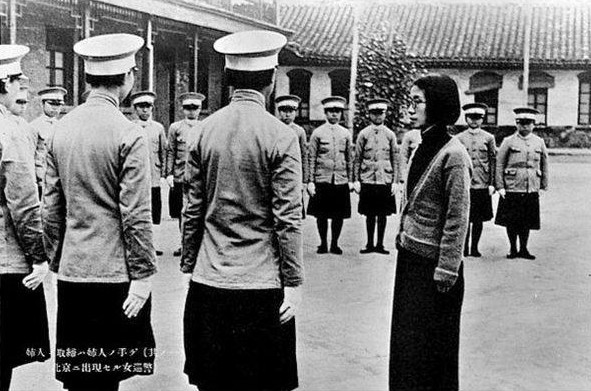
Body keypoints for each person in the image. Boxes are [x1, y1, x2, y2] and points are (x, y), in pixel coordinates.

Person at [181, 30, 303, 391]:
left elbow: (192, 209)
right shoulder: (281, 135)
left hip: (210, 279)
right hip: (262, 284)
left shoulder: (202, 131)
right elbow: (288, 219)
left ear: (230, 77)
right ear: (271, 79)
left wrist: (189, 264)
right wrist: (294, 283)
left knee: (213, 383)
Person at [43, 33, 157, 391]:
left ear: (89, 78)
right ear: (128, 77)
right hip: (114, 275)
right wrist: (143, 276)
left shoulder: (60, 130)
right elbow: (136, 213)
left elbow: (50, 208)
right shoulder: (129, 133)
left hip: (74, 272)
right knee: (107, 377)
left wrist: (56, 260)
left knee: (79, 377)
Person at [390, 73, 471, 391]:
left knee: (433, 354)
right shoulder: (421, 144)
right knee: (407, 348)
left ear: (437, 105)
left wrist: (447, 269)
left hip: (436, 270)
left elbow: (458, 217)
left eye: (417, 102)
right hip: (410, 260)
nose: (410, 109)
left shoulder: (454, 155)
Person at [0, 44, 50, 391]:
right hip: (5, 262)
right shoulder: (13, 130)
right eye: (18, 82)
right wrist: (39, 257)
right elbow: (23, 202)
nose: (25, 88)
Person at [495, 107, 549, 260]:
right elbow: (500, 164)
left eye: (528, 123)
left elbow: (544, 164)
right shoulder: (508, 141)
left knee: (526, 221)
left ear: (534, 124)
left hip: (531, 187)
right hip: (512, 187)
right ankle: (513, 248)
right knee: (512, 221)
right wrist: (500, 186)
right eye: (521, 123)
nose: (525, 126)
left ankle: (524, 249)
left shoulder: (539, 142)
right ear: (516, 124)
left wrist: (543, 184)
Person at [307, 96, 353, 254]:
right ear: (325, 113)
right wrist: (310, 181)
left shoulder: (346, 133)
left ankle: (334, 244)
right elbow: (311, 157)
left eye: (337, 111)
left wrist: (352, 180)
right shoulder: (317, 133)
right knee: (321, 215)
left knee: (338, 215)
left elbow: (349, 159)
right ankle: (323, 244)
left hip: (340, 180)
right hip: (322, 179)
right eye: (331, 111)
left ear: (341, 114)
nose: (334, 115)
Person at [353, 98, 400, 254]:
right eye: (374, 113)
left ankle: (380, 244)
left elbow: (395, 159)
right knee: (369, 215)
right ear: (369, 115)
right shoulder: (363, 134)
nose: (377, 117)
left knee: (383, 215)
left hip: (384, 180)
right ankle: (369, 244)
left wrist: (395, 181)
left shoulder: (390, 135)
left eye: (380, 114)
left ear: (385, 115)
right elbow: (357, 158)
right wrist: (356, 180)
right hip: (368, 179)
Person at [166, 91, 205, 256]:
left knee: (198, 211)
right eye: (187, 108)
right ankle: (184, 244)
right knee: (182, 212)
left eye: (194, 108)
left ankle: (197, 245)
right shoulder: (175, 128)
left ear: (200, 109)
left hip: (199, 177)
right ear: (182, 109)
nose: (191, 111)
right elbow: (171, 152)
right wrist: (168, 174)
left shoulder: (204, 126)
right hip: (180, 175)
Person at [456, 103, 497, 257]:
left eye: (478, 118)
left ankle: (475, 248)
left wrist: (492, 183)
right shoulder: (459, 138)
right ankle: (464, 248)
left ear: (482, 119)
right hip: (465, 183)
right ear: (466, 118)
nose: (474, 121)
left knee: (478, 219)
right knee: (464, 218)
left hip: (482, 183)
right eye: (471, 118)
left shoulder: (488, 138)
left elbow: (493, 161)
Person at [131, 90, 167, 256]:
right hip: (136, 178)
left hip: (153, 176)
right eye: (141, 107)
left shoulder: (158, 128)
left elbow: (163, 152)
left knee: (155, 211)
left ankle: (156, 243)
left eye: (148, 107)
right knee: (137, 209)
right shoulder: (131, 127)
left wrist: (165, 174)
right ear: (135, 109)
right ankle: (139, 244)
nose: (145, 110)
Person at [29, 86, 67, 199]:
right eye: (52, 104)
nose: (55, 108)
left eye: (58, 105)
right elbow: (30, 154)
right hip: (40, 176)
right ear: (43, 104)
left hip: (58, 176)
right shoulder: (34, 126)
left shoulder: (62, 126)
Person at [275, 94, 308, 216]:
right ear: (279, 111)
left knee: (293, 210)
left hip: (294, 173)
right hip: (277, 172)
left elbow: (304, 156)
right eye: (284, 111)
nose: (287, 114)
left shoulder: (299, 132)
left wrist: (304, 180)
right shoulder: (274, 128)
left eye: (291, 111)